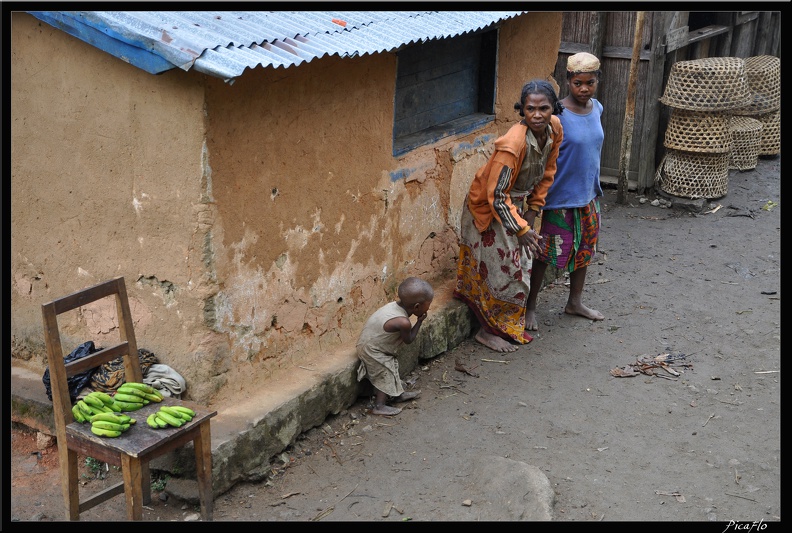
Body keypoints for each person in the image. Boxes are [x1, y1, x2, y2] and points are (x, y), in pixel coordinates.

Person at [454, 79, 564, 353]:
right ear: (521, 110)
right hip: (491, 208)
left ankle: (505, 323)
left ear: (553, 109)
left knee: (517, 263)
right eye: (530, 109)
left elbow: (548, 171)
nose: (537, 115)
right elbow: (497, 195)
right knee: (504, 269)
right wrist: (522, 229)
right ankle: (487, 331)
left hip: (515, 206)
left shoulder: (554, 130)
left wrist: (533, 209)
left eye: (543, 108)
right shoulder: (512, 144)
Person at [525, 52, 605, 331]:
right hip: (558, 197)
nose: (584, 89)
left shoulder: (597, 109)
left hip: (588, 195)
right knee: (545, 255)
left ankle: (575, 302)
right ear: (568, 80)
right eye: (578, 83)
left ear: (597, 81)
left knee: (585, 251)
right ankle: (530, 307)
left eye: (590, 83)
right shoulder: (555, 114)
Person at [356, 276, 434, 416]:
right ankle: (379, 406)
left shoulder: (394, 306)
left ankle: (396, 395)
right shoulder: (403, 322)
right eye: (428, 304)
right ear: (417, 306)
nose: (429, 307)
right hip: (372, 349)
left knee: (392, 367)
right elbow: (409, 339)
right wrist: (420, 321)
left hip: (371, 343)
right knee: (386, 373)